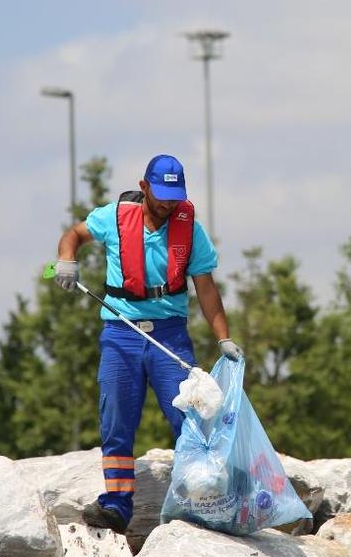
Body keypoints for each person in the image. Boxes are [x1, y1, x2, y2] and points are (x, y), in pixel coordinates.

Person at [53, 153, 243, 534]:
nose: (168, 204)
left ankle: (203, 499)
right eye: (161, 196)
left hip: (169, 331)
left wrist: (224, 337)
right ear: (144, 188)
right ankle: (117, 506)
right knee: (116, 417)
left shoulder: (190, 231)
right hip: (120, 332)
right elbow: (74, 235)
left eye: (175, 197)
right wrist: (66, 259)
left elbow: (205, 288)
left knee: (190, 417)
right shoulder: (114, 217)